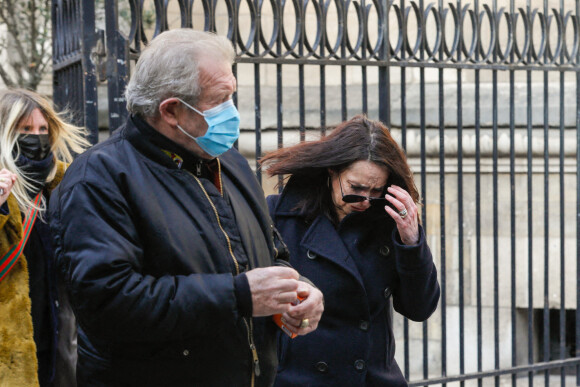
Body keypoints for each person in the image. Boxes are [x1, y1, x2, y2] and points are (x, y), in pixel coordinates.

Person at [48, 29, 324, 387]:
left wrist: (296, 289)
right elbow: (108, 303)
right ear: (172, 110)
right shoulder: (98, 178)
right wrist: (238, 295)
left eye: (232, 95)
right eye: (221, 98)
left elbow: (270, 253)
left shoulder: (229, 162)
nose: (232, 111)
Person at [260, 115, 440, 386]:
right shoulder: (279, 215)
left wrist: (411, 241)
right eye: (355, 189)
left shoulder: (389, 225)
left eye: (376, 191)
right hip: (299, 378)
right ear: (332, 172)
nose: (365, 202)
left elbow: (420, 308)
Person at [0, 88, 88, 387]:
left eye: (42, 129)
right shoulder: (3, 190)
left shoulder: (66, 183)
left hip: (60, 336)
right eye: (24, 129)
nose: (35, 137)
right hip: (10, 345)